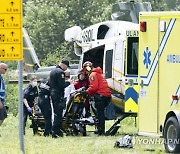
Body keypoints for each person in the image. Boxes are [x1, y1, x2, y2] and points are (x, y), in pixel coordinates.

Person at [82, 61, 111, 135]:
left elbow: (94, 87)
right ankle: (100, 129)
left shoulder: (93, 75)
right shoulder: (99, 73)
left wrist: (86, 92)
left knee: (99, 114)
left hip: (100, 96)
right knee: (99, 114)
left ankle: (101, 130)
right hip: (106, 96)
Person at [49, 59, 70, 138]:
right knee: (58, 114)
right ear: (64, 65)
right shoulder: (60, 72)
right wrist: (68, 82)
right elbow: (61, 85)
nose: (66, 69)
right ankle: (55, 131)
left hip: (53, 94)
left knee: (55, 113)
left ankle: (56, 130)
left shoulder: (53, 71)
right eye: (66, 67)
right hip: (58, 94)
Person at [0, 63, 8, 127]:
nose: (6, 71)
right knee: (1, 116)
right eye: (5, 69)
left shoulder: (1, 77)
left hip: (2, 100)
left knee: (3, 115)